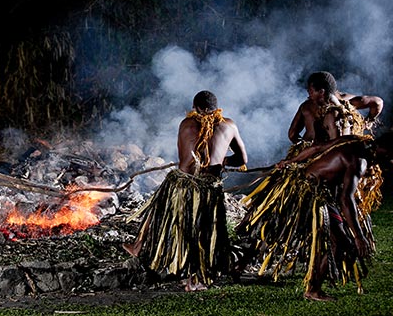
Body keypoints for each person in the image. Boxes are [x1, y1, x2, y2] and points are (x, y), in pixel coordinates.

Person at [235, 132, 393, 301]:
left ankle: (238, 267)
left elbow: (317, 147)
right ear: (385, 151)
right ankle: (313, 290)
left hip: (307, 188)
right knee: (339, 243)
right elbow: (346, 199)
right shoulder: (358, 163)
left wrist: (291, 161)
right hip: (311, 194)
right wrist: (359, 236)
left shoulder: (355, 139)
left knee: (275, 229)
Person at [122, 90, 248, 291]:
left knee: (162, 212)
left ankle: (142, 248)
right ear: (216, 108)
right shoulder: (229, 125)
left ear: (195, 107)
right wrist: (222, 161)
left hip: (182, 183)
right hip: (208, 186)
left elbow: (184, 156)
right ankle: (194, 276)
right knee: (202, 229)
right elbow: (242, 160)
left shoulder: (186, 124)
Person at [287, 71, 383, 155]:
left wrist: (367, 122)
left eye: (311, 91)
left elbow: (292, 134)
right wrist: (305, 147)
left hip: (335, 154)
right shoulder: (306, 107)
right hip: (316, 155)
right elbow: (377, 103)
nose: (308, 93)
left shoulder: (346, 103)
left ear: (321, 92)